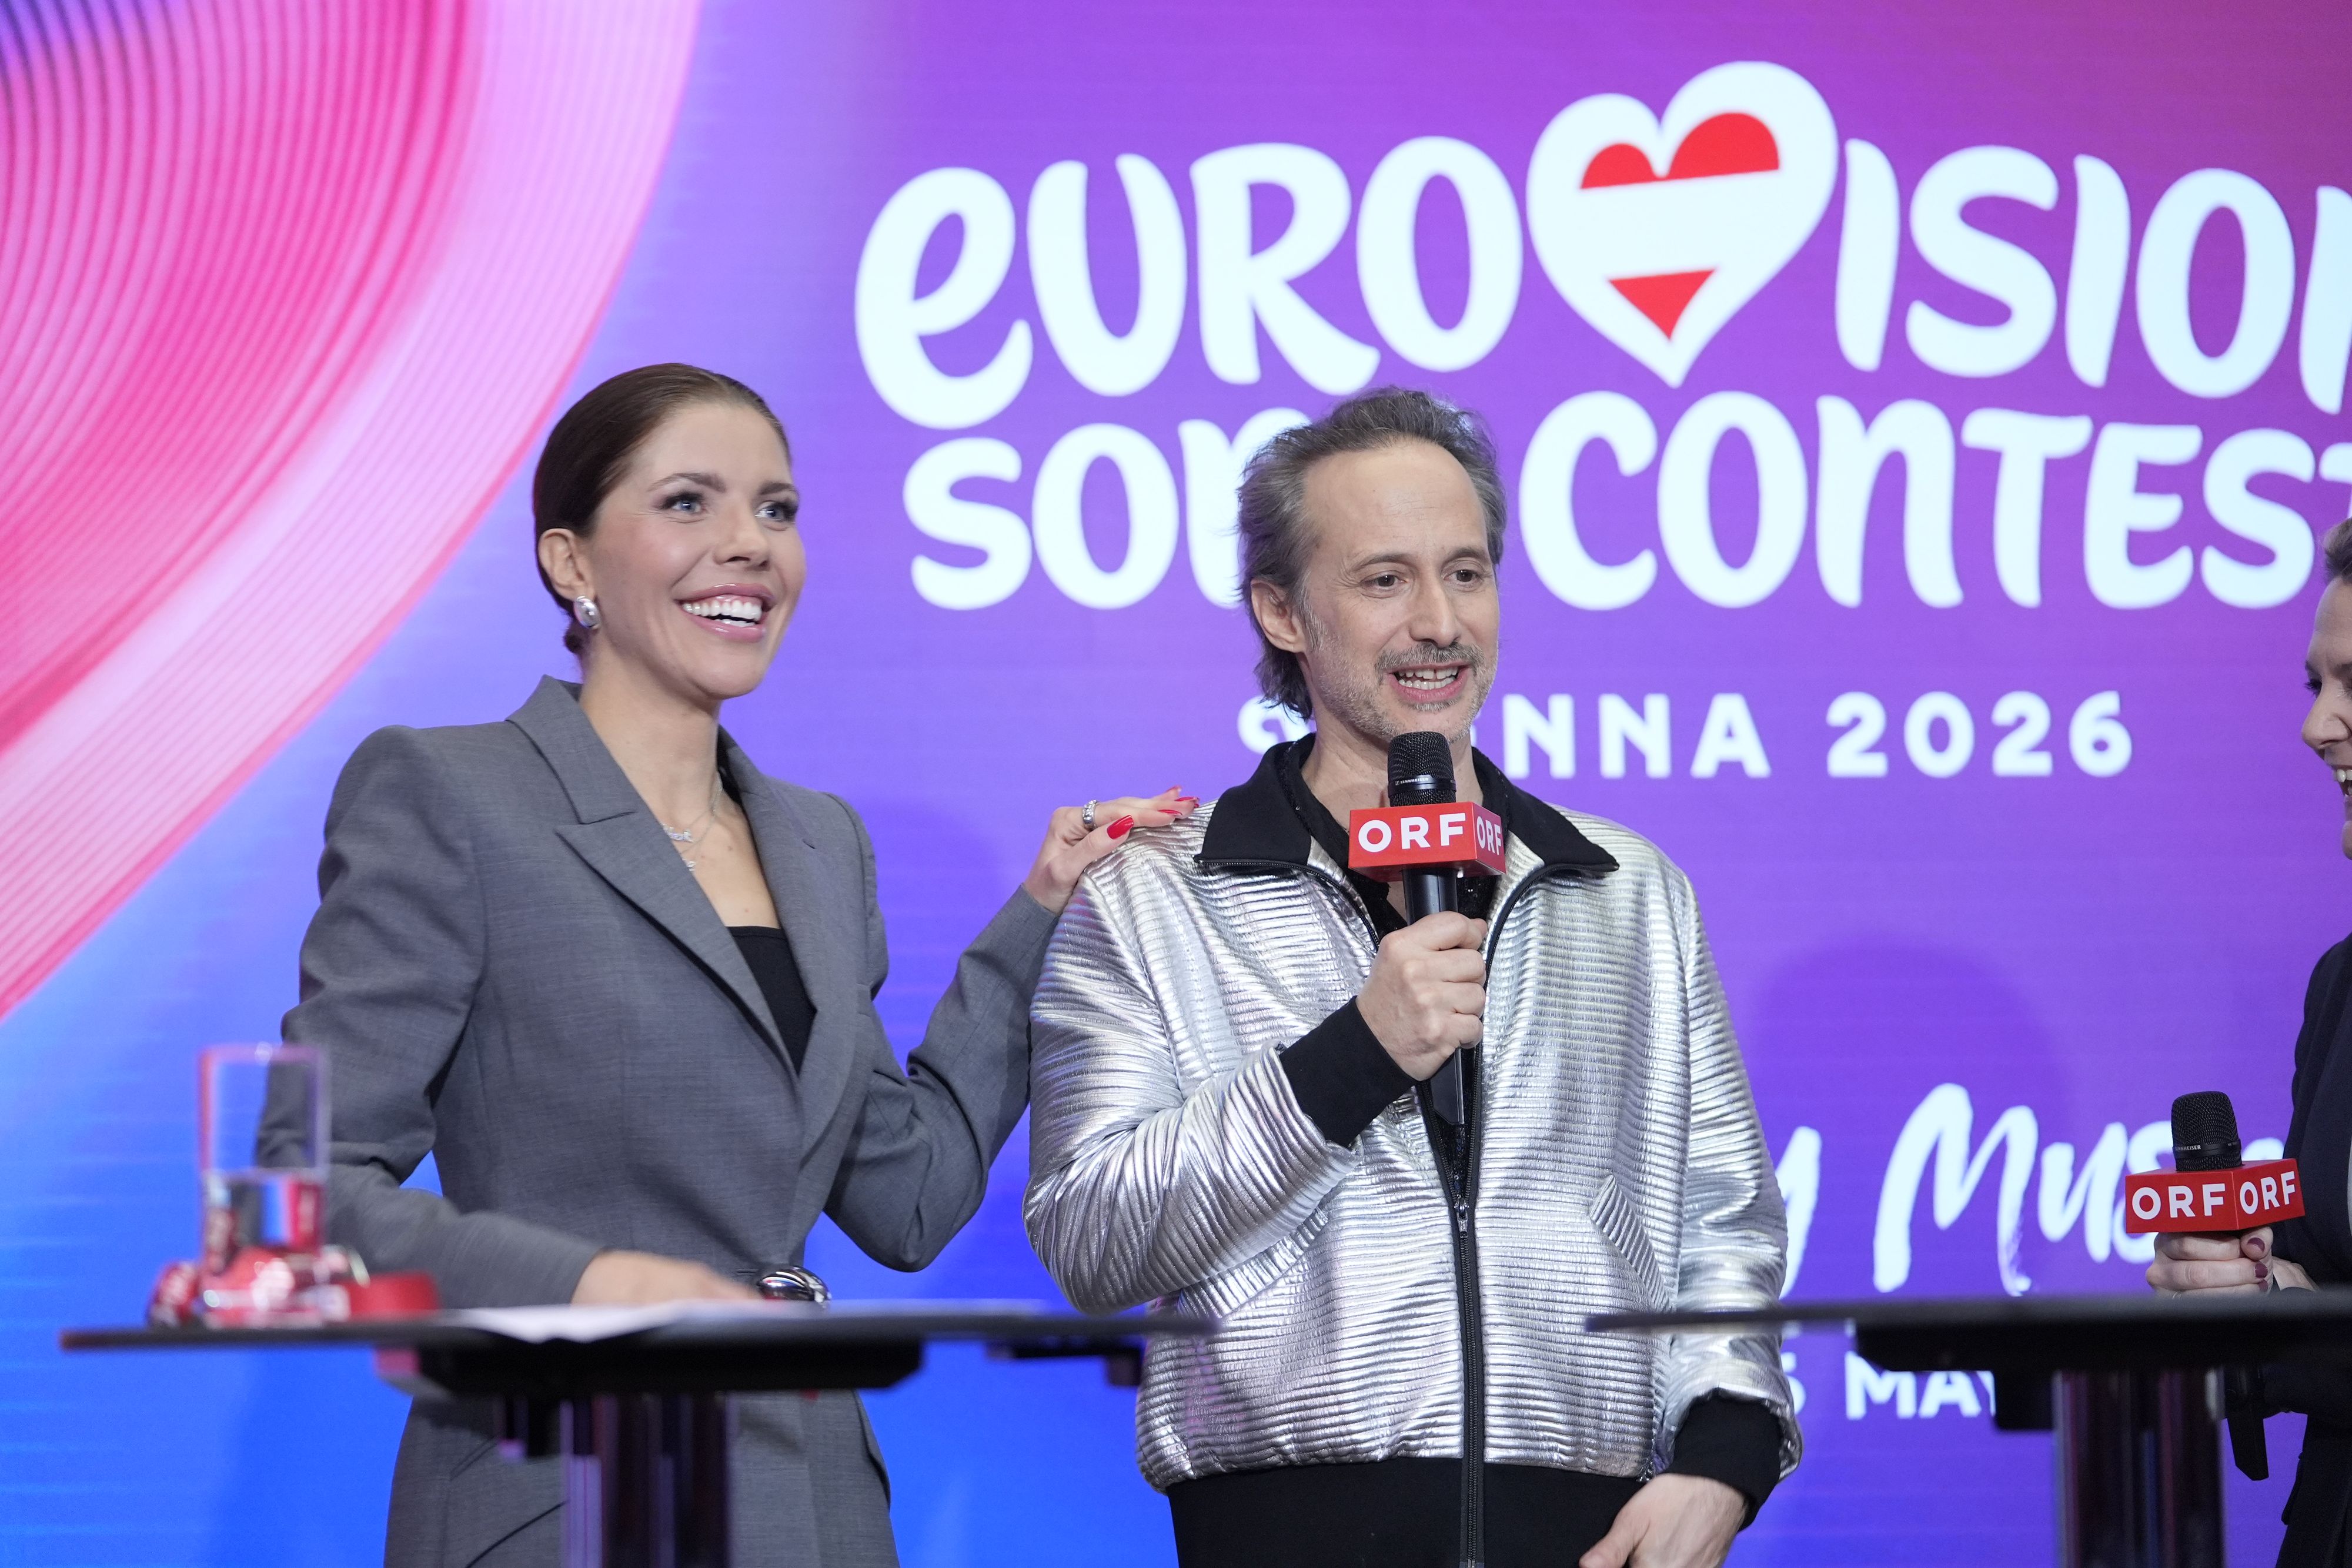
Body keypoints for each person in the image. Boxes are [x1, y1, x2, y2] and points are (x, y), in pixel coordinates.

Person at [281, 362, 1194, 1567]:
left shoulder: (818, 842)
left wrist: (1041, 911)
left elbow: (906, 1196)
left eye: (774, 508)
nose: (748, 545)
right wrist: (594, 1281)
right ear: (569, 561)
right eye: (686, 504)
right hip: (568, 1492)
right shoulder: (448, 792)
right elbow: (305, 1194)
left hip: (809, 1502)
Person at [1023, 388, 1798, 1568]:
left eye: (1466, 573)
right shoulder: (1154, 896)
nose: (1438, 621)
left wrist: (1720, 1461)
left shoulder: (1625, 888)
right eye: (1383, 580)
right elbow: (1093, 1233)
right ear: (1282, 610)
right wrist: (1350, 1059)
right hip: (1285, 1532)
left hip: (1590, 1534)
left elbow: (1720, 1229)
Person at [2149, 516, 2352, 1567]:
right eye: (2316, 685)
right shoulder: (2343, 984)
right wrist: (2255, 1294)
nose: (2321, 726)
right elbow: (2325, 1270)